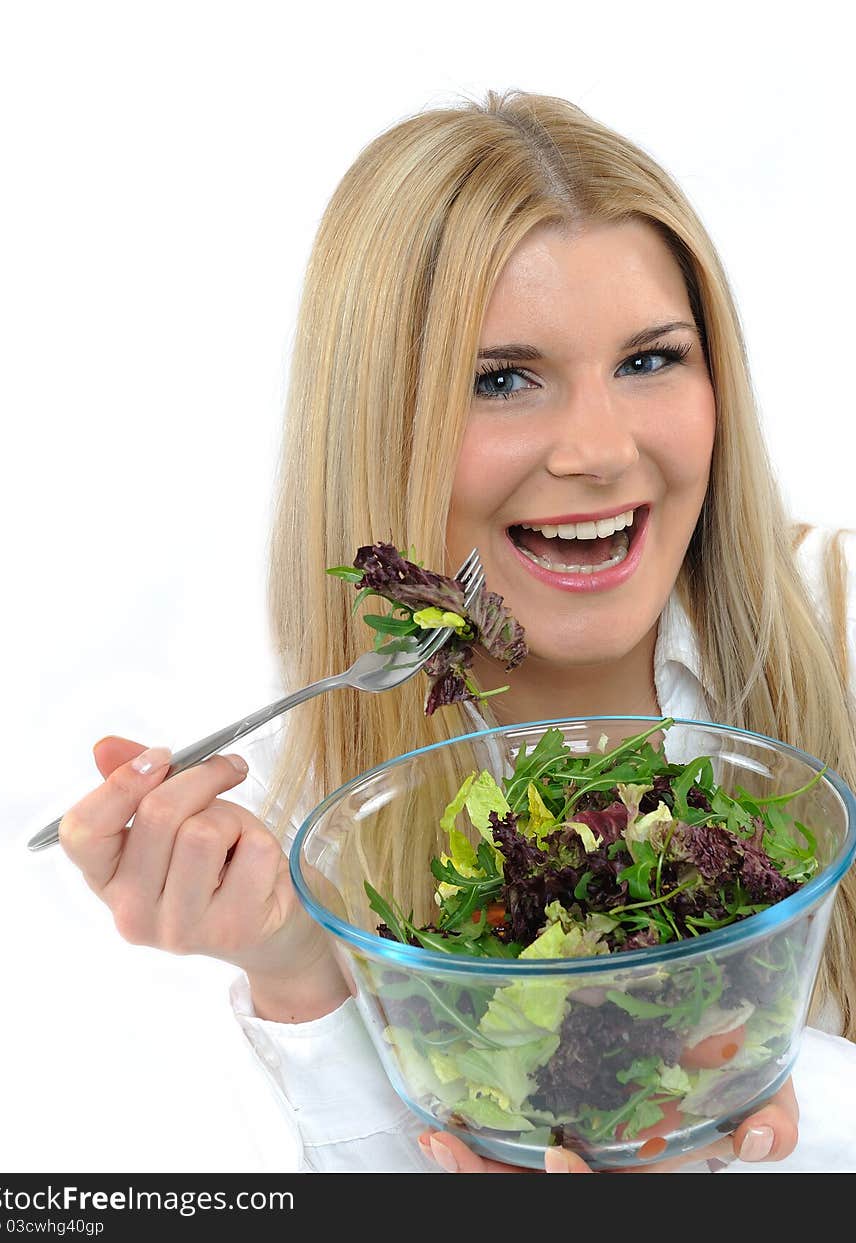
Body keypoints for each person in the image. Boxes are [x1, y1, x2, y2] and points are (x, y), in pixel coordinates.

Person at [59, 88, 856, 1174]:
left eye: (648, 359)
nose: (597, 449)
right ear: (380, 425)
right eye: (501, 380)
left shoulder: (841, 621)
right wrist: (301, 977)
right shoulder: (309, 835)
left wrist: (785, 1133)